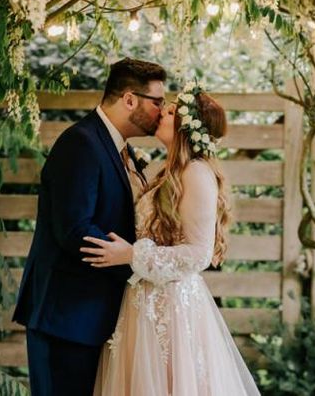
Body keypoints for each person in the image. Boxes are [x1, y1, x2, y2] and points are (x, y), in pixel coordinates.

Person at [81, 82, 261, 395]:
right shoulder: (169, 171)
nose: (160, 114)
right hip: (143, 302)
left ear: (186, 126)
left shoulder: (196, 174)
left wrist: (132, 255)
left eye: (169, 111)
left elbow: (197, 254)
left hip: (173, 309)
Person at [13, 57, 167, 396]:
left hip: (92, 316)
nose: (162, 110)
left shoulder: (115, 147)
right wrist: (136, 264)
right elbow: (74, 228)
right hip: (66, 317)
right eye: (158, 102)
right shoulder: (81, 143)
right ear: (130, 99)